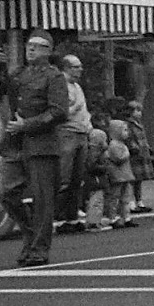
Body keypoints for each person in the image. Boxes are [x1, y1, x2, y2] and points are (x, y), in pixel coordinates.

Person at [0, 30, 70, 267]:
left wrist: (27, 125)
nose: (31, 49)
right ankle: (30, 233)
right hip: (15, 143)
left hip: (41, 145)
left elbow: (58, 111)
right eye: (29, 45)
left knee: (42, 200)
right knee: (6, 194)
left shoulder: (54, 77)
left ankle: (39, 248)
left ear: (48, 52)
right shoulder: (18, 73)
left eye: (37, 46)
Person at [54, 54, 92, 234]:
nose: (80, 70)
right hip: (67, 133)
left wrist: (88, 126)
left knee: (78, 179)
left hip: (81, 132)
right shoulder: (61, 86)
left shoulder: (78, 87)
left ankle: (72, 217)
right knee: (64, 178)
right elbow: (59, 112)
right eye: (77, 67)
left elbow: (84, 110)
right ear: (67, 68)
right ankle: (57, 217)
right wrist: (74, 109)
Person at [104, 117, 137, 227]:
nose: (127, 133)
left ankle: (126, 216)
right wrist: (127, 153)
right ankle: (113, 217)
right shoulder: (114, 145)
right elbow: (118, 158)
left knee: (126, 197)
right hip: (118, 176)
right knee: (115, 197)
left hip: (125, 175)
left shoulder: (122, 144)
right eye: (124, 130)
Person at [126, 98, 154, 212]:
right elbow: (129, 138)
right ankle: (131, 202)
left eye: (140, 111)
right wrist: (134, 147)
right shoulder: (129, 125)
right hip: (134, 155)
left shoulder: (139, 125)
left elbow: (143, 137)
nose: (139, 113)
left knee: (139, 180)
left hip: (142, 154)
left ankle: (139, 201)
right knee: (133, 179)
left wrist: (147, 146)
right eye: (136, 111)